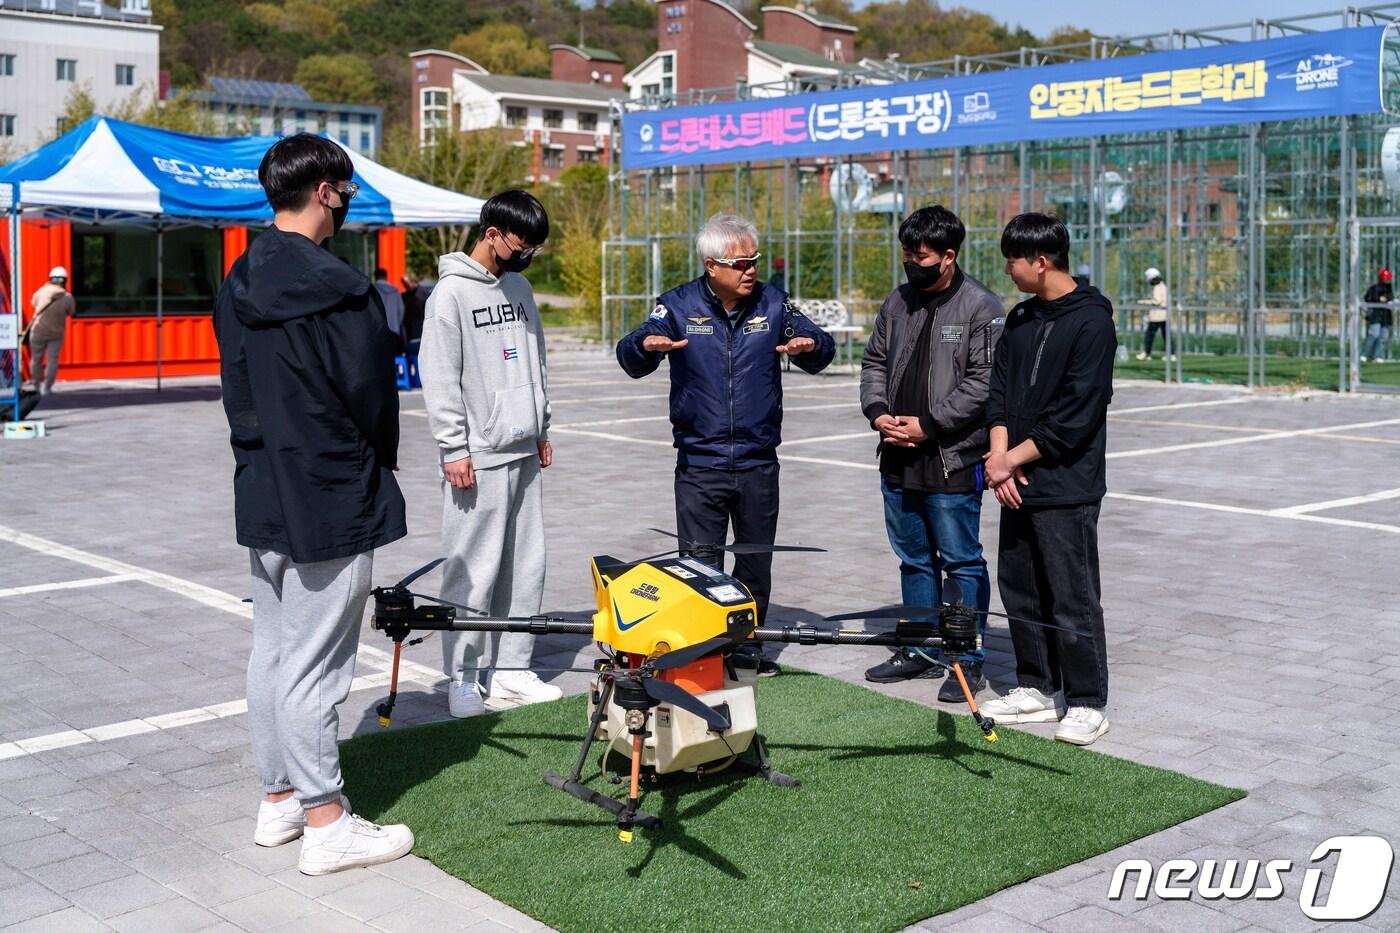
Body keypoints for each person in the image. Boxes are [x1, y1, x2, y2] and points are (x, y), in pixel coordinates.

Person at [213, 133, 413, 873]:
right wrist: (374, 462)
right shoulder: (343, 287)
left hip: (262, 482)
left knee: (272, 650)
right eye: (347, 185)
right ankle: (327, 820)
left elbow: (235, 388)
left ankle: (280, 802)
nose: (350, 197)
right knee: (315, 664)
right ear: (325, 190)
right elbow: (371, 398)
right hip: (326, 488)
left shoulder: (237, 279)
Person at [616, 214, 835, 676]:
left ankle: (747, 647)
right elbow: (631, 350)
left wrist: (807, 345)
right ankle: (705, 651)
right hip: (700, 463)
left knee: (755, 562)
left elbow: (821, 347)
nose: (751, 269)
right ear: (712, 266)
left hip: (758, 462)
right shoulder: (675, 305)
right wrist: (646, 347)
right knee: (700, 564)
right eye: (741, 262)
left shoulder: (774, 303)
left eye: (754, 259)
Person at [419, 189, 559, 717]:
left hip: (522, 447)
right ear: (492, 234)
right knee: (471, 569)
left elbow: (535, 360)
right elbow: (439, 379)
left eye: (533, 250)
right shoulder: (449, 295)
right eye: (521, 245)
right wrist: (453, 447)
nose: (525, 256)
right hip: (475, 457)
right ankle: (463, 676)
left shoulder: (520, 287)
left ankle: (513, 671)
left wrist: (541, 424)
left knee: (526, 565)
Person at [980, 212, 1116, 747]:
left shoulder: (1091, 322)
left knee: (1071, 594)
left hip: (1066, 483)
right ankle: (1034, 687)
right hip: (1014, 476)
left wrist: (1011, 459)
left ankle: (1086, 702)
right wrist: (999, 459)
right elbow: (1000, 393)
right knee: (1020, 587)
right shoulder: (1020, 319)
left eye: (1013, 260)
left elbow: (1077, 414)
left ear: (1041, 261)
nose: (1008, 269)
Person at [859, 206, 1003, 702]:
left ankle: (965, 658)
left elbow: (986, 382)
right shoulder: (897, 303)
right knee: (914, 560)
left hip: (951, 457)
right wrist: (879, 413)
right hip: (897, 454)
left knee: (961, 561)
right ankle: (920, 650)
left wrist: (930, 425)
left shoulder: (981, 307)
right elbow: (874, 361)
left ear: (948, 256)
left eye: (920, 256)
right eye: (906, 253)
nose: (910, 263)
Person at [25, 266, 75, 396]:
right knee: (52, 360)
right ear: (65, 280)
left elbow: (33, 304)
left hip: (38, 331)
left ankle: (36, 386)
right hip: (56, 333)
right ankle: (47, 388)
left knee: (36, 359)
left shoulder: (41, 291)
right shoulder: (68, 297)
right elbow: (71, 312)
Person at [1135, 267, 1170, 360]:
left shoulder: (1157, 288)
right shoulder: (1163, 286)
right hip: (1164, 315)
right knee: (1166, 335)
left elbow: (1157, 301)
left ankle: (1146, 353)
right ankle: (1171, 354)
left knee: (1149, 335)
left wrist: (1144, 302)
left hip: (1157, 316)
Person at [1362, 267, 1393, 363]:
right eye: (1385, 279)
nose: (1386, 281)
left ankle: (1378, 356)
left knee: (1382, 337)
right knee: (1374, 335)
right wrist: (1378, 298)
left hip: (1385, 316)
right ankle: (1365, 354)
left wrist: (1386, 298)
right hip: (1375, 315)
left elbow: (1391, 297)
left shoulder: (1389, 290)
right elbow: (1367, 297)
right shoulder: (1374, 288)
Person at [373, 267, 405, 352]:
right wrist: (396, 323)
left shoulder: (372, 289)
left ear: (375, 277)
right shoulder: (395, 290)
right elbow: (401, 310)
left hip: (377, 330)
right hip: (394, 330)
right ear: (386, 276)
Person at [401, 273, 425, 352]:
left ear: (413, 282)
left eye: (406, 284)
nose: (404, 287)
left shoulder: (423, 294)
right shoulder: (404, 296)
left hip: (420, 331)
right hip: (408, 331)